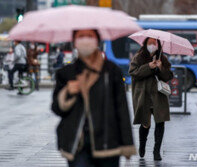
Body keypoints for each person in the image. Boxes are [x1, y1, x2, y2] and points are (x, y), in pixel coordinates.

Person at [51, 29, 136, 167]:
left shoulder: (111, 71)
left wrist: (127, 143)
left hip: (108, 142)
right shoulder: (66, 73)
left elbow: (122, 108)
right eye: (81, 36)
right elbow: (56, 108)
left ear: (97, 40)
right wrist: (68, 92)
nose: (86, 40)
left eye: (90, 36)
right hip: (78, 144)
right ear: (74, 42)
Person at [129, 37, 174, 161]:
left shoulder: (162, 58)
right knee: (145, 123)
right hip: (143, 96)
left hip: (159, 95)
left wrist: (160, 68)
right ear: (145, 44)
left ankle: (156, 151)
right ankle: (142, 145)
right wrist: (148, 66)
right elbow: (133, 72)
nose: (152, 45)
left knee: (160, 121)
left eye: (154, 42)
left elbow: (168, 76)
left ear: (158, 44)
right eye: (150, 42)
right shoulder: (138, 57)